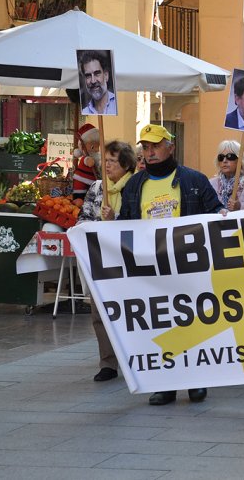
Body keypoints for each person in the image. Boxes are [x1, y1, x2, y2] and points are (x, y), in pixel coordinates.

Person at [117, 124, 223, 404]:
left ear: (170, 147)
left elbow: (214, 211)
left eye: (155, 146)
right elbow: (123, 226)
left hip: (188, 265)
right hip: (152, 269)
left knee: (193, 324)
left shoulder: (195, 180)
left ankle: (196, 381)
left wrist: (225, 212)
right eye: (146, 147)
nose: (150, 152)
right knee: (160, 326)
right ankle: (165, 384)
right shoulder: (134, 185)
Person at [76, 140, 137, 383]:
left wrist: (116, 220)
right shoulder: (97, 189)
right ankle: (108, 362)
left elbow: (139, 222)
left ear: (125, 164)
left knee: (131, 311)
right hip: (101, 258)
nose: (107, 165)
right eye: (106, 160)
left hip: (129, 260)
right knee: (99, 312)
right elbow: (83, 218)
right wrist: (95, 227)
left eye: (112, 161)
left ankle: (134, 357)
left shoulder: (135, 187)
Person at [209, 140, 244, 211]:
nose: (224, 161)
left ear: (240, 160)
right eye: (221, 157)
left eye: (230, 156)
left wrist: (240, 207)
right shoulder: (211, 184)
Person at [79, 51, 116, 115]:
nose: (93, 81)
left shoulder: (117, 104)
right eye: (88, 76)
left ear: (106, 75)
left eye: (97, 74)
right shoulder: (85, 111)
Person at [72, 123, 100, 201]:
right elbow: (90, 163)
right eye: (93, 147)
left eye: (98, 146)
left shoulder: (96, 156)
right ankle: (78, 199)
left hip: (91, 180)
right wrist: (90, 161)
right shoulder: (85, 158)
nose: (97, 149)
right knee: (79, 192)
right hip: (81, 179)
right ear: (82, 145)